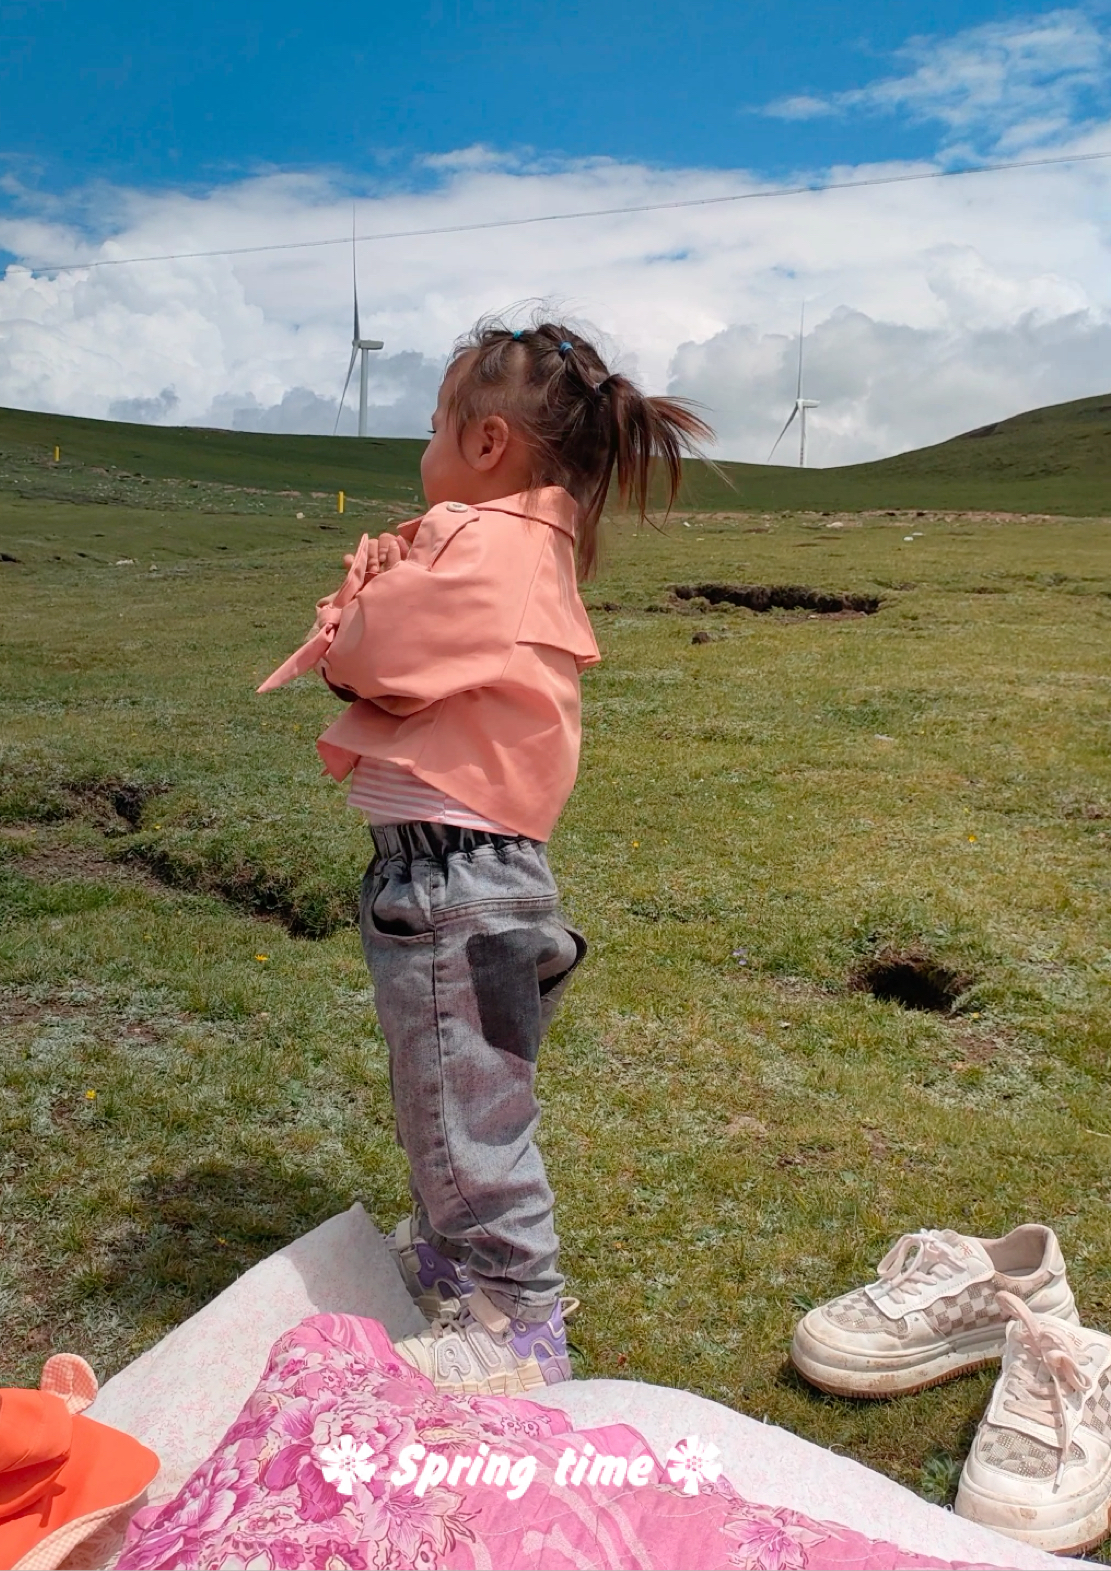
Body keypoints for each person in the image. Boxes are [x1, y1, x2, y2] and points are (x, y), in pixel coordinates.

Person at [310, 317, 711, 1395]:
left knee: (464, 1107)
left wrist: (362, 590)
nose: (424, 450)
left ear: (487, 443)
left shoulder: (479, 544)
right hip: (472, 880)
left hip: (454, 884)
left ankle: (515, 1322)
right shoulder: (522, 550)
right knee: (452, 1096)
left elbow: (365, 657)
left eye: (435, 426)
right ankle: (456, 1261)